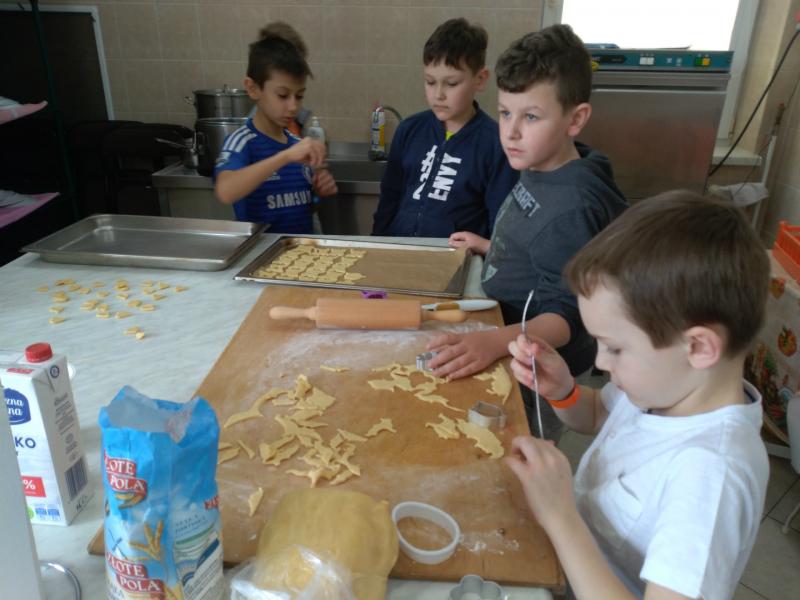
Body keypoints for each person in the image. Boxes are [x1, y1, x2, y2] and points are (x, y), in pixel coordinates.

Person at [506, 192, 770, 600]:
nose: (600, 361)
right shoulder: (666, 389)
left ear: (698, 347)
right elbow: (599, 414)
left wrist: (560, 517)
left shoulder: (711, 475)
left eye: (615, 348)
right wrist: (564, 392)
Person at [427, 24, 626, 439]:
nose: (511, 132)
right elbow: (543, 246)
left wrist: (493, 342)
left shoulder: (571, 205)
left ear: (576, 119)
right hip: (511, 334)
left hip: (541, 364)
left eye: (530, 116)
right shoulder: (543, 162)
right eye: (505, 113)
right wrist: (491, 246)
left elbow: (567, 314)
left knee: (525, 445)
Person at [371, 18, 517, 238]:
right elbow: (389, 199)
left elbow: (500, 224)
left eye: (451, 84)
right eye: (430, 82)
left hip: (457, 257)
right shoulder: (409, 130)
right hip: (401, 251)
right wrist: (378, 244)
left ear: (480, 79)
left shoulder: (496, 144)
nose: (438, 94)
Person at [214, 24, 337, 233]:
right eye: (282, 95)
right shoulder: (243, 141)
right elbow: (225, 191)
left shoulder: (296, 146)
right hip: (261, 252)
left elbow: (304, 208)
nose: (293, 106)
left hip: (300, 250)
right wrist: (285, 157)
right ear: (253, 88)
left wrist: (319, 191)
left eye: (299, 96)